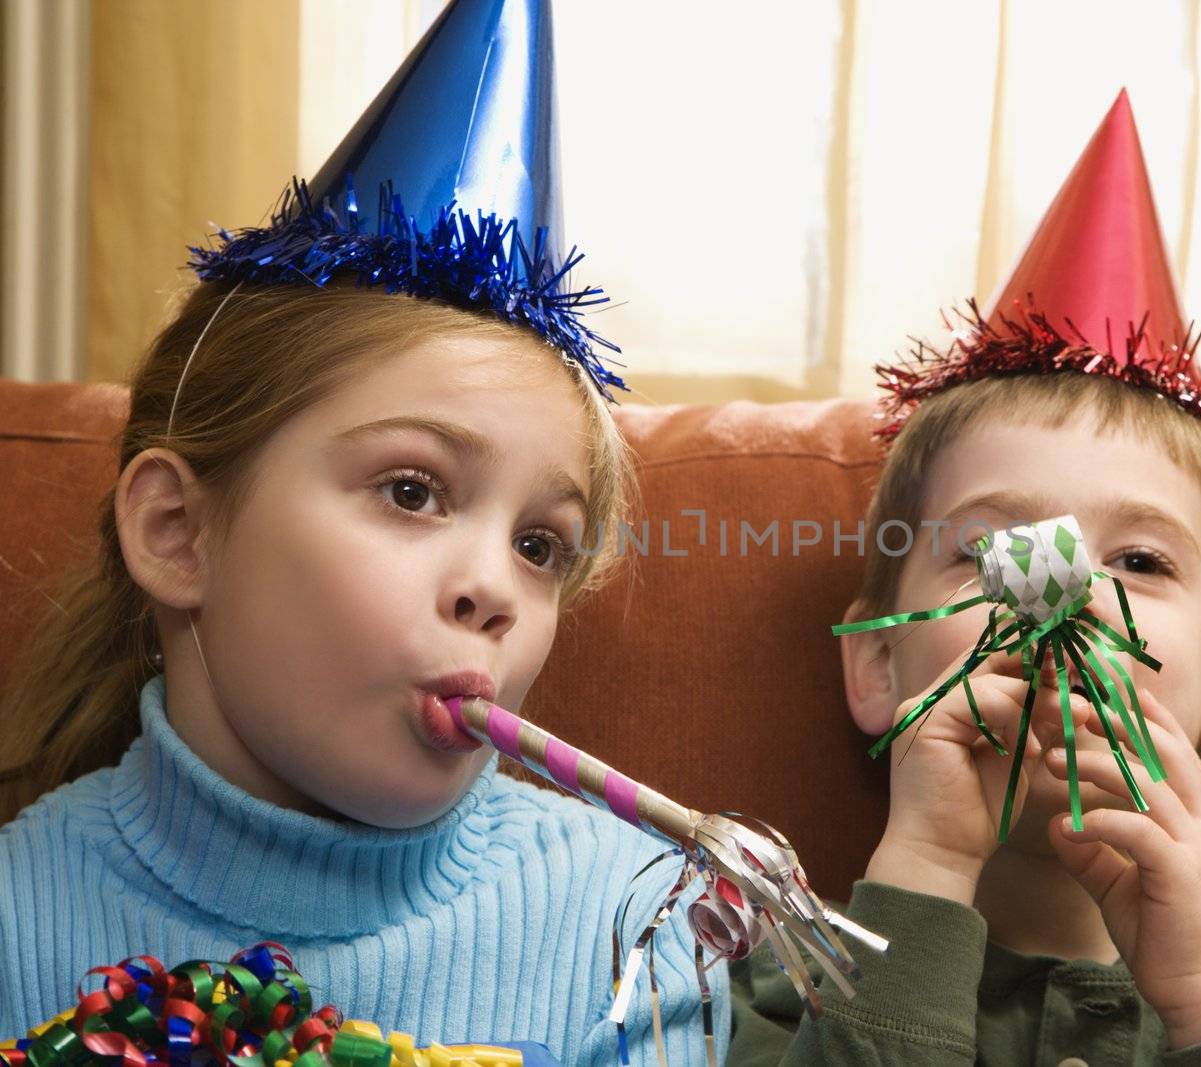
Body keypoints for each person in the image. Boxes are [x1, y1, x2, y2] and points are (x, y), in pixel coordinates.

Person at [0, 2, 729, 1062]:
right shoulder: (17, 919)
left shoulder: (636, 926)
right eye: (411, 489)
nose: (495, 589)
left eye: (541, 545)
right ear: (176, 532)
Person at [726, 92, 1201, 1066]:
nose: (1061, 595)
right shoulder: (773, 970)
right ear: (875, 664)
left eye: (1139, 560)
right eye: (994, 550)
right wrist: (925, 870)